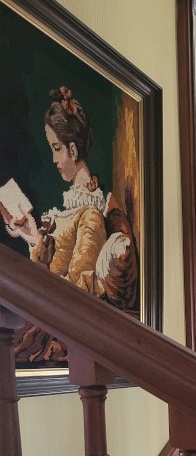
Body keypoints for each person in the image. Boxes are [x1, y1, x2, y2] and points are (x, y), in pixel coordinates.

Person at [4, 86, 137, 362]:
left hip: (62, 321)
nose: (54, 160)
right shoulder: (75, 207)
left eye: (56, 149)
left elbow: (77, 292)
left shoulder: (90, 214)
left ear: (73, 149)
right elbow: (57, 268)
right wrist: (32, 237)